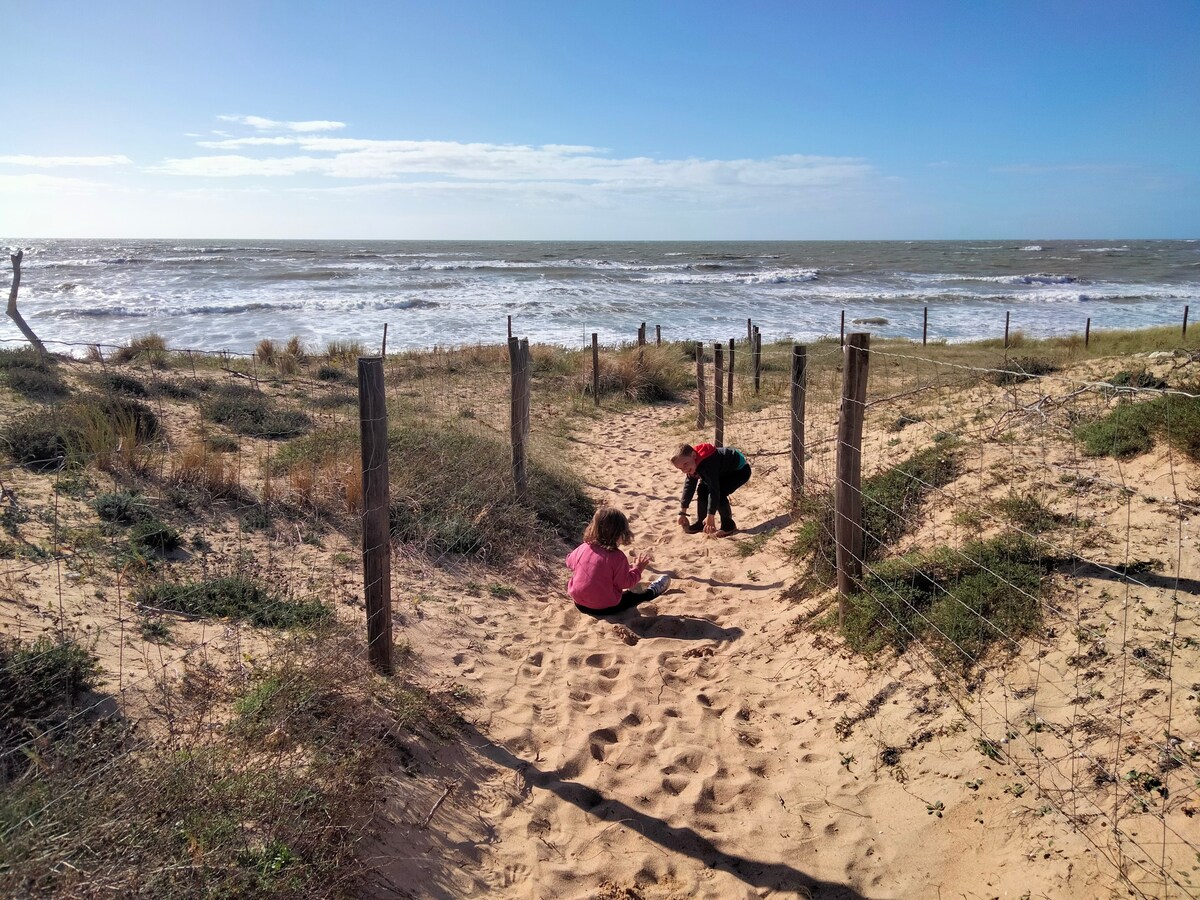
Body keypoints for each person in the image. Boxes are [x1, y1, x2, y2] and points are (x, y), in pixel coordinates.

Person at [566, 506, 671, 617]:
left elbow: (569, 562)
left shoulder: (584, 547)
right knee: (631, 597)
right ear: (619, 534)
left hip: (578, 603)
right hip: (603, 608)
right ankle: (652, 592)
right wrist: (638, 569)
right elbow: (625, 583)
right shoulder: (617, 557)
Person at [671, 443, 752, 537]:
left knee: (720, 492)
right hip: (721, 472)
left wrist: (710, 516)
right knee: (702, 489)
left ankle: (729, 526)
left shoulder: (707, 463)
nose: (684, 470)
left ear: (693, 455)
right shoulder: (692, 464)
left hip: (740, 471)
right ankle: (701, 523)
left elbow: (714, 491)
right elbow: (689, 486)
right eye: (680, 468)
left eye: (685, 464)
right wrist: (682, 512)